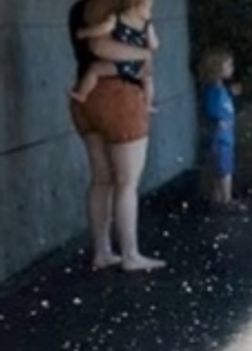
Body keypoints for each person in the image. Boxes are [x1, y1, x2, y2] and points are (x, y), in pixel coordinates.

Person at [68, 0, 165, 272]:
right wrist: (144, 53)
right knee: (126, 182)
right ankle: (130, 255)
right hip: (119, 96)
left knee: (102, 180)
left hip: (88, 96)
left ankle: (102, 252)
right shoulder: (108, 5)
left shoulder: (81, 7)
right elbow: (100, 47)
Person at [69, 0, 159, 114]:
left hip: (124, 68)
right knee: (147, 79)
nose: (149, 13)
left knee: (95, 70)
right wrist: (144, 53)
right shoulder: (141, 23)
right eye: (147, 8)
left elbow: (100, 38)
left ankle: (82, 94)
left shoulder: (131, 20)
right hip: (129, 67)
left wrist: (84, 33)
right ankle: (148, 104)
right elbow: (98, 46)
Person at [198, 48, 246, 213]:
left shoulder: (220, 89)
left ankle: (218, 197)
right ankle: (226, 199)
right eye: (228, 65)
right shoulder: (213, 91)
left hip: (225, 136)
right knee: (224, 169)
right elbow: (212, 109)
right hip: (220, 136)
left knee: (222, 167)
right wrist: (220, 121)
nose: (231, 68)